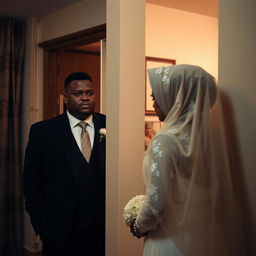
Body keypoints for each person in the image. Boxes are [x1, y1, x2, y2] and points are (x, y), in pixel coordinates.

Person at [130, 65, 247, 255]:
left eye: (155, 97)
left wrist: (138, 225)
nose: (153, 104)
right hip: (207, 236)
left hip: (171, 241)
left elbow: (157, 205)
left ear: (176, 98)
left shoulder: (165, 141)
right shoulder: (214, 139)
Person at [23, 72, 106, 256]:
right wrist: (43, 228)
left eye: (90, 93)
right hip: (59, 232)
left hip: (103, 231)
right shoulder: (43, 132)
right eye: (78, 93)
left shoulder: (111, 125)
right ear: (66, 98)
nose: (85, 98)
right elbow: (31, 184)